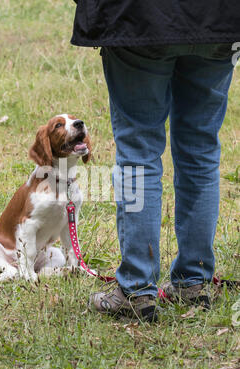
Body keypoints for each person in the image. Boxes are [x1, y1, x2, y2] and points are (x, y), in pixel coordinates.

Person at [71, 1, 240, 322]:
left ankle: (136, 289)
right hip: (221, 18)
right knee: (201, 150)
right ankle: (194, 281)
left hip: (138, 17)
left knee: (138, 152)